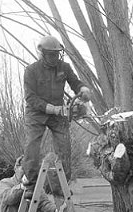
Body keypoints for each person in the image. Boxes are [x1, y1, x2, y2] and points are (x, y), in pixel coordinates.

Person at [22, 35, 91, 198]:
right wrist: (52, 109)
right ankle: (31, 184)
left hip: (58, 113)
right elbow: (30, 98)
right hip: (36, 113)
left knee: (64, 146)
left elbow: (75, 82)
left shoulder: (64, 67)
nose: (54, 58)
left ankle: (61, 184)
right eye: (51, 55)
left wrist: (83, 89)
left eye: (56, 54)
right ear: (42, 54)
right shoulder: (31, 71)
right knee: (32, 145)